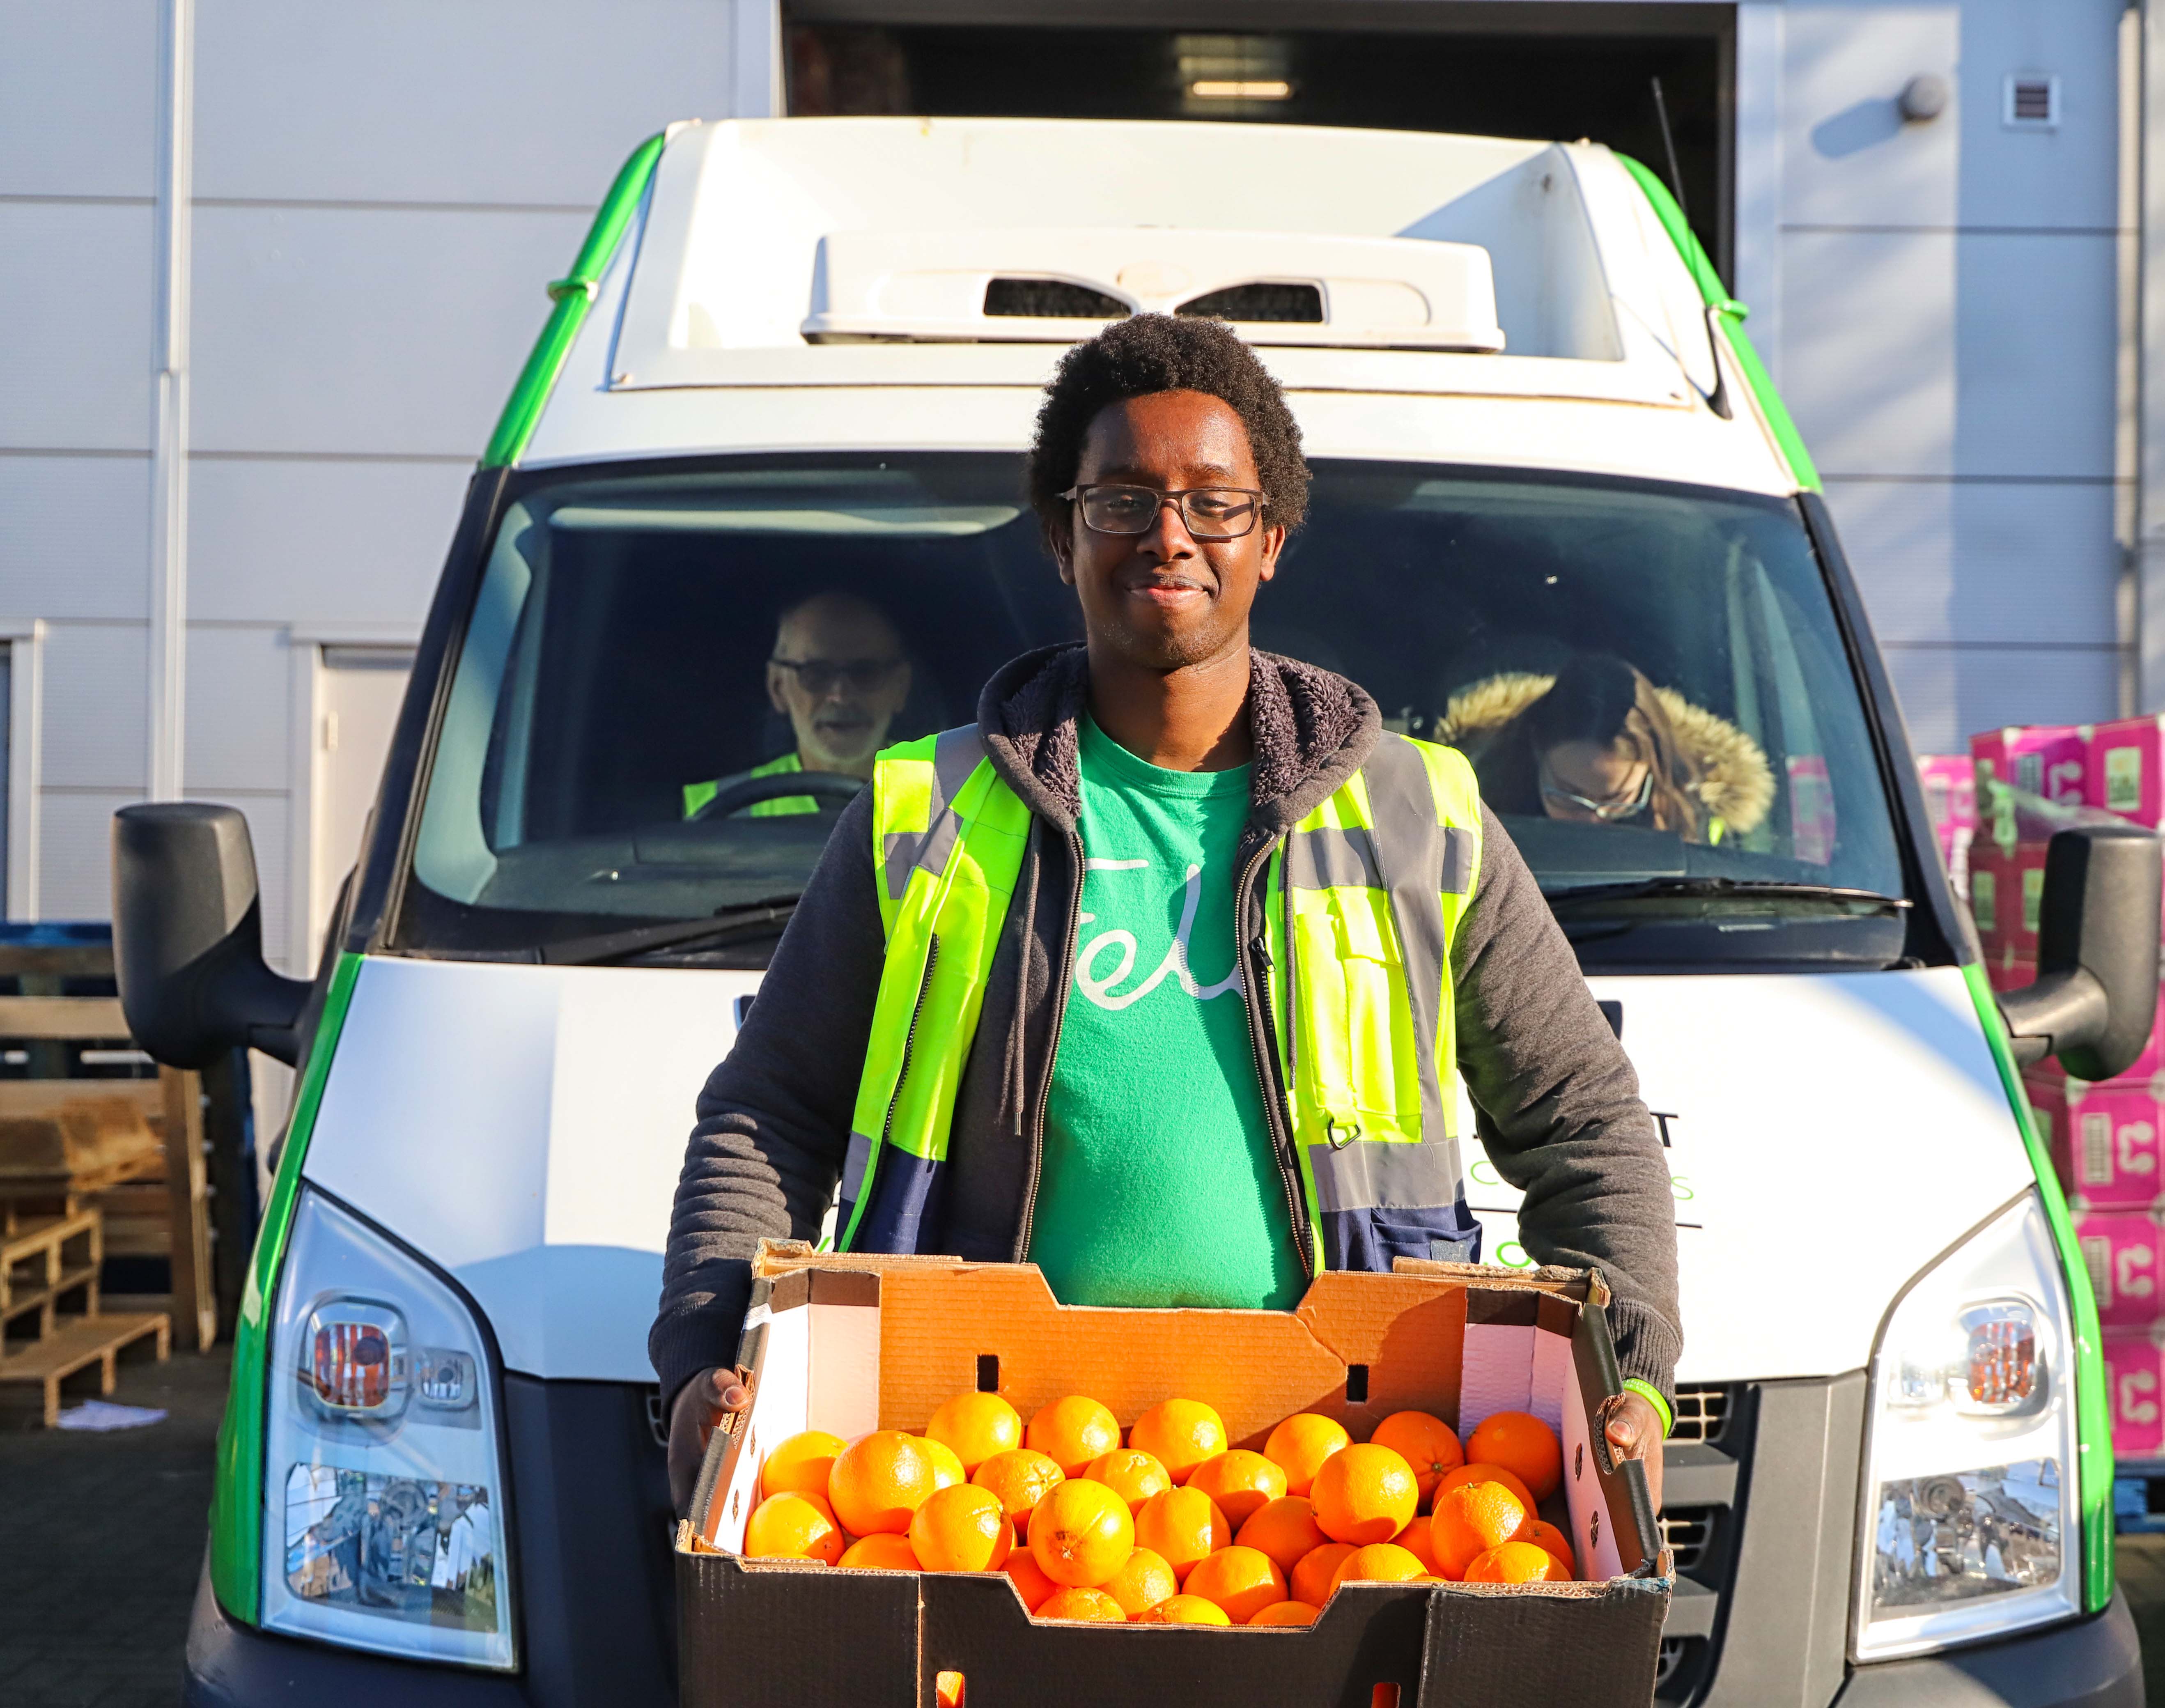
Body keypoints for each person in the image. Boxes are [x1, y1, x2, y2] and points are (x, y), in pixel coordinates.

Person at [651, 314, 1680, 1515]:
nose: (1168, 533)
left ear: (1270, 537)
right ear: (1062, 533)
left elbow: (1585, 1121)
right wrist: (708, 1352)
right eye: (1122, 499)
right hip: (984, 1480)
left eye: (1213, 502)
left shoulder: (1417, 812)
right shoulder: (924, 812)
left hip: (1348, 1481)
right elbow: (767, 1114)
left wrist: (1628, 1380)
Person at [1437, 652, 1773, 844]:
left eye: (1616, 801)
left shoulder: (1700, 821)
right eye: (1568, 796)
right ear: (1535, 751)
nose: (1591, 823)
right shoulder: (1465, 806)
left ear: (1654, 771)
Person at [681, 590, 913, 818]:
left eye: (866, 673)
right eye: (817, 674)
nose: (841, 696)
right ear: (778, 687)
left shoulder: (935, 796)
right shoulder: (702, 807)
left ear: (901, 687)